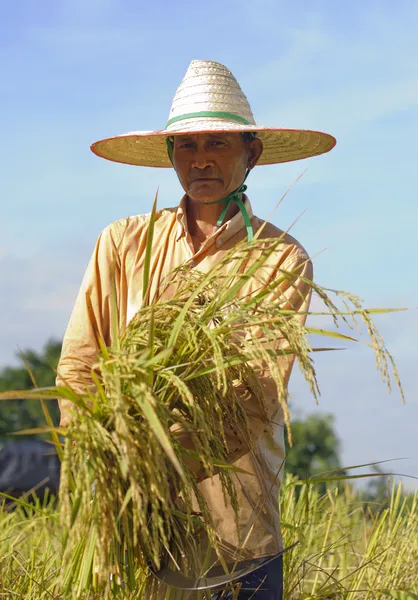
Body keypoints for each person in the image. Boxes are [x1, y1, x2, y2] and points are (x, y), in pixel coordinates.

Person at [56, 59, 336, 599]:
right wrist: (102, 464)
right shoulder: (123, 244)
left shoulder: (278, 260)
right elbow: (80, 366)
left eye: (219, 144)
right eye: (187, 145)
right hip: (131, 534)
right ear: (169, 155)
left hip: (239, 536)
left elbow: (253, 391)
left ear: (251, 154)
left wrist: (150, 464)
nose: (201, 158)